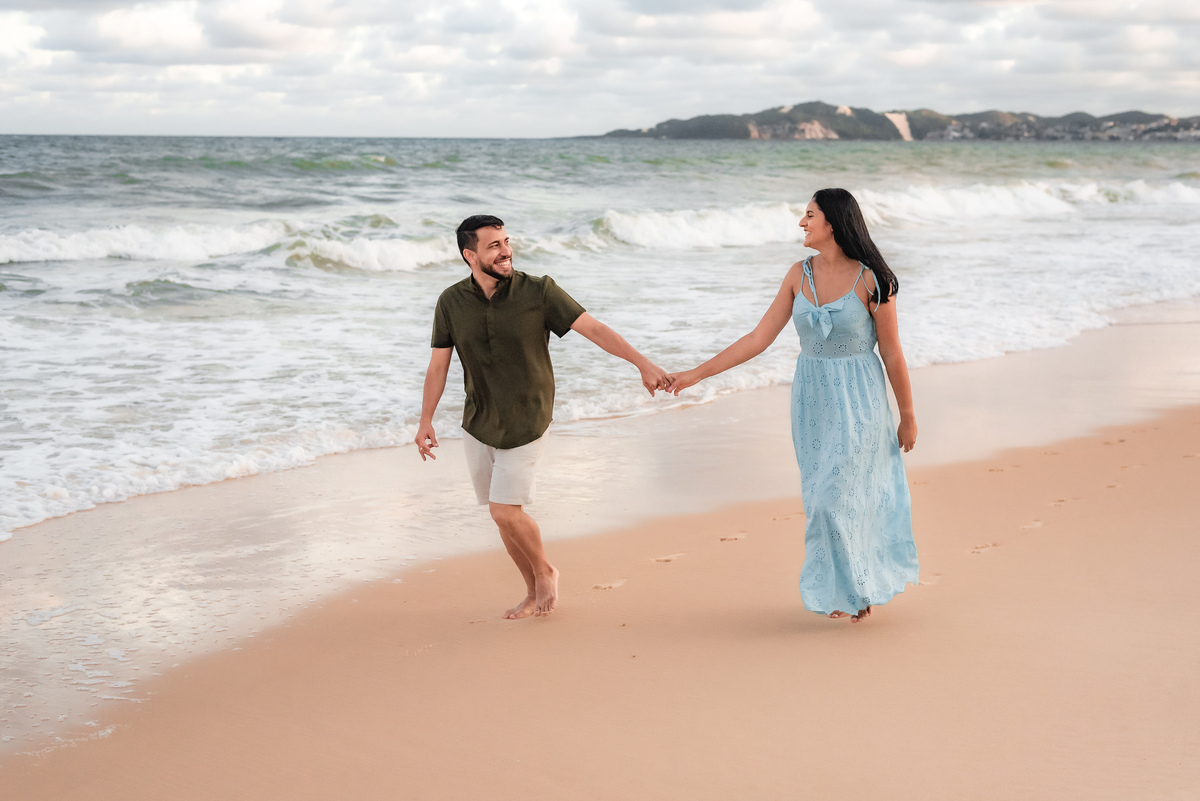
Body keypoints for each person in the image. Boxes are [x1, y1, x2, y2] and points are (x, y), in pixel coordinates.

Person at [667, 188, 918, 622]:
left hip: (860, 399)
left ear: (834, 223)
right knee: (821, 495)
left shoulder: (872, 279)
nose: (802, 223)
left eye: (809, 215)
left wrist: (908, 415)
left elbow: (892, 353)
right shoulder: (796, 276)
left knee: (840, 496)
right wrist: (695, 374)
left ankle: (859, 587)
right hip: (813, 400)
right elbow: (757, 340)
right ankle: (845, 588)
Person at [416, 214, 670, 620]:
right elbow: (438, 366)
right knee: (502, 517)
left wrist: (642, 363)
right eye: (493, 245)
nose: (505, 251)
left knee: (504, 509)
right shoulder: (451, 302)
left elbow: (596, 329)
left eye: (506, 241)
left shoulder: (539, 291)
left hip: (528, 416)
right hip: (479, 421)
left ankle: (545, 571)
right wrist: (425, 420)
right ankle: (532, 590)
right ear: (470, 255)